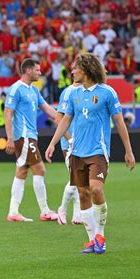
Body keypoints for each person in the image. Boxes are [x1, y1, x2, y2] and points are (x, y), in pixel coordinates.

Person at [45, 53, 135, 254]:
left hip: (98, 151)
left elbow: (120, 123)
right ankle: (92, 240)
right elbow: (65, 120)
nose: (72, 71)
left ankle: (100, 235)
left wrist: (129, 151)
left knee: (95, 189)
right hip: (77, 151)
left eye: (75, 68)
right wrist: (52, 143)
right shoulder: (73, 94)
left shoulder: (107, 92)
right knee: (83, 193)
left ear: (85, 69)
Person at [4, 58, 58, 222]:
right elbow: (8, 113)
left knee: (21, 172)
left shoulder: (33, 90)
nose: (40, 73)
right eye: (37, 70)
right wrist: (10, 138)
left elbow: (47, 109)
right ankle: (45, 211)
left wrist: (64, 119)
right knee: (40, 169)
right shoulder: (16, 89)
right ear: (28, 71)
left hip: (30, 136)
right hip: (24, 136)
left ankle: (13, 212)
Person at [55, 81, 82, 226]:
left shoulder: (87, 91)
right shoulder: (68, 92)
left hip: (83, 141)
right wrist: (69, 139)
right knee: (76, 177)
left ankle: (78, 214)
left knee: (79, 178)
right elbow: (58, 118)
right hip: (70, 142)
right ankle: (63, 209)